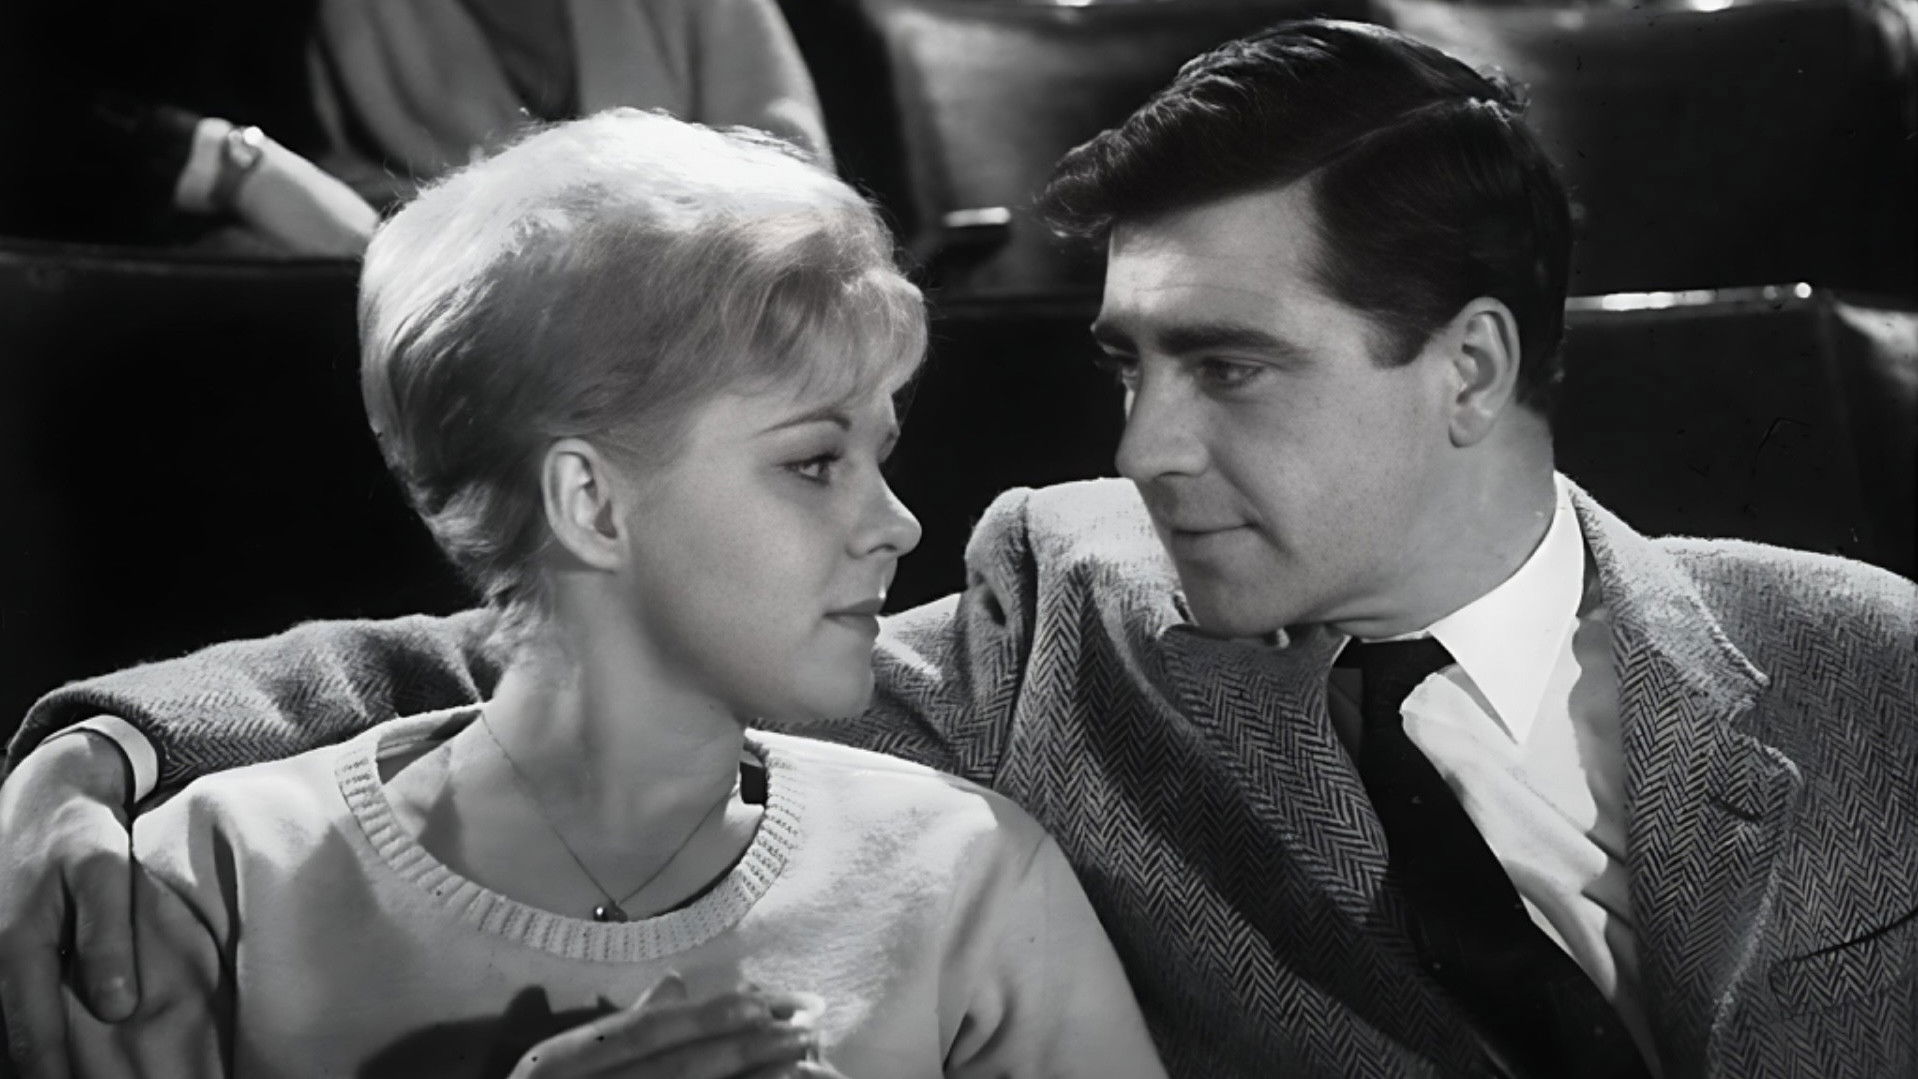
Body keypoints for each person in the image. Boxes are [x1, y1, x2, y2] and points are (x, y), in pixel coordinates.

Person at [5, 17, 1915, 1078]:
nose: (1143, 446)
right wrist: (89, 755)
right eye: (1128, 364)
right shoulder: (1068, 613)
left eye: (1227, 365)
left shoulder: (1864, 659)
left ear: (1469, 367)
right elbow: (568, 644)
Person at [2, 109, 1165, 1078]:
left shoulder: (965, 871)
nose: (897, 522)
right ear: (590, 501)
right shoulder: (213, 881)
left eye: (880, 451)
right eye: (816, 459)